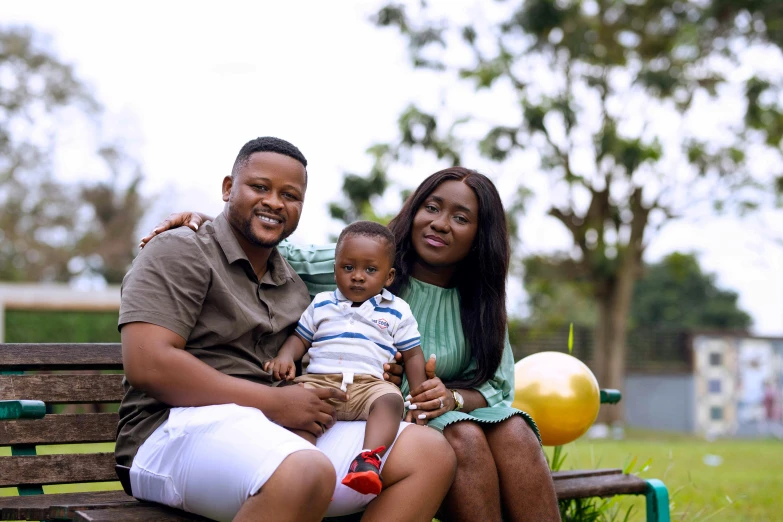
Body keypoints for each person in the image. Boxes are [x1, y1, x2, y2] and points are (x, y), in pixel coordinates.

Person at [144, 166, 561, 522]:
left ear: (479, 234)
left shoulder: (481, 302)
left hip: (440, 413)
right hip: (370, 412)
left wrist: (450, 397)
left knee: (516, 431)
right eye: (431, 208)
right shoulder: (367, 265)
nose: (439, 223)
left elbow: (498, 389)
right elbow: (270, 242)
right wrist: (208, 220)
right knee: (466, 439)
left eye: (460, 217)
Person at [118, 136, 456, 522]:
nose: (275, 202)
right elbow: (149, 366)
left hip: (273, 429)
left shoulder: (294, 285)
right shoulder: (181, 250)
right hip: (169, 433)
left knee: (430, 453)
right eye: (260, 187)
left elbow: (330, 340)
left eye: (290, 195)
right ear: (228, 188)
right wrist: (277, 403)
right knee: (304, 470)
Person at [266, 220, 427, 495]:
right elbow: (300, 338)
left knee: (390, 400)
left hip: (368, 386)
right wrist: (285, 356)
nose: (358, 276)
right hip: (320, 383)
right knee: (298, 402)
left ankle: (368, 459)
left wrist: (419, 396)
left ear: (388, 277)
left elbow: (413, 355)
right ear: (335, 269)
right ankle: (296, 462)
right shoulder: (322, 303)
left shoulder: (397, 310)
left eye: (370, 269)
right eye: (348, 267)